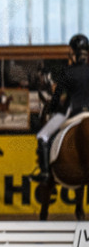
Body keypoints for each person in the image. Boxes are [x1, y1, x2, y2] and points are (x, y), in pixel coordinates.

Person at [36, 33, 89, 182]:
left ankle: (45, 174)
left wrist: (52, 108)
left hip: (72, 112)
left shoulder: (68, 72)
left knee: (42, 136)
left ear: (72, 52)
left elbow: (56, 98)